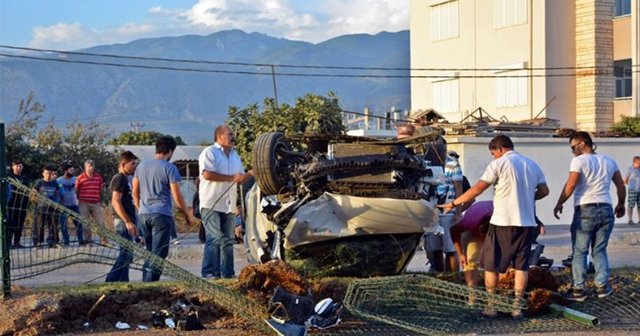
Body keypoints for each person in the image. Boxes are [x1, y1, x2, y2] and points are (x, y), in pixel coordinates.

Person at [440, 135, 549, 318]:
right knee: (522, 267)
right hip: (527, 223)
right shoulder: (532, 164)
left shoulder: (499, 164)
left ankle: (491, 306)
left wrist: (454, 203)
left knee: (491, 266)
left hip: (503, 222)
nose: (494, 157)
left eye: (493, 153)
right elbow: (544, 191)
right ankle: (516, 307)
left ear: (499, 149)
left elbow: (477, 189)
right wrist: (526, 197)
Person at [553, 131, 626, 301]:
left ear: (582, 143)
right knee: (599, 250)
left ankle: (579, 290)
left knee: (580, 251)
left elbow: (571, 185)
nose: (572, 151)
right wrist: (620, 204)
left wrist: (559, 203)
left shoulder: (578, 161)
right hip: (607, 209)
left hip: (586, 210)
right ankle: (603, 288)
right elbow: (620, 186)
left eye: (573, 147)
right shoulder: (609, 161)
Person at [133, 136, 193, 282]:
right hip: (161, 214)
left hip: (143, 214)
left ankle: (145, 282)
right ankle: (150, 284)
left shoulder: (141, 166)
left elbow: (135, 192)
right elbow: (177, 197)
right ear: (170, 151)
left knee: (150, 252)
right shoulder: (169, 167)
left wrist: (140, 208)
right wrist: (187, 216)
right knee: (159, 254)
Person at [198, 125, 252, 279]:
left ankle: (228, 273)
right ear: (219, 137)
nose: (233, 137)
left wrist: (249, 175)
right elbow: (207, 174)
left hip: (229, 204)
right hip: (211, 203)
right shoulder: (209, 152)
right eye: (230, 134)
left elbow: (239, 177)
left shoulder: (235, 155)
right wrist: (233, 178)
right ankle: (209, 272)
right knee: (214, 238)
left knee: (228, 240)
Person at [450, 200, 492, 305]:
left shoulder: (502, 219)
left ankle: (493, 298)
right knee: (470, 262)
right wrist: (460, 254)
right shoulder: (469, 221)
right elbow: (453, 231)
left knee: (497, 263)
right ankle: (472, 297)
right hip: (474, 226)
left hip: (497, 228)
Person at [106, 151, 139, 282]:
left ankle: (124, 282)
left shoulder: (126, 179)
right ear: (123, 164)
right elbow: (115, 201)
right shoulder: (119, 178)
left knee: (127, 255)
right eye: (132, 164)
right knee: (125, 254)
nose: (134, 166)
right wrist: (127, 221)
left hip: (128, 220)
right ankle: (110, 281)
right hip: (122, 221)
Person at [76, 159, 106, 244]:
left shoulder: (98, 177)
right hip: (83, 202)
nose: (91, 168)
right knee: (85, 222)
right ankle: (88, 240)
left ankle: (104, 240)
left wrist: (97, 197)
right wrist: (79, 199)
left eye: (93, 166)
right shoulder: (80, 178)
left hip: (95, 202)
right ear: (85, 167)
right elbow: (76, 190)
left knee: (100, 222)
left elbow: (101, 189)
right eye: (89, 166)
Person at [32, 165, 62, 248]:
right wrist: (36, 199)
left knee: (53, 226)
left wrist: (57, 203)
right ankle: (38, 243)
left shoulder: (55, 183)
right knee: (39, 225)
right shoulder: (39, 183)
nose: (48, 175)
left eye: (50, 173)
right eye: (46, 173)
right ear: (43, 174)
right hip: (41, 208)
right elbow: (33, 193)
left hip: (53, 208)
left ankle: (54, 242)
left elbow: (58, 194)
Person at [57, 162, 85, 245]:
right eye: (71, 170)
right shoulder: (59, 180)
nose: (73, 172)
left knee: (79, 224)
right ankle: (66, 241)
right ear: (65, 171)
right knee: (64, 225)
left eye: (73, 170)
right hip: (63, 205)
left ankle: (81, 240)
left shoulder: (76, 179)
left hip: (74, 205)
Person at [6, 159, 30, 248]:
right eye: (17, 166)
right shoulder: (9, 177)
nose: (19, 168)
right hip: (11, 204)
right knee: (10, 222)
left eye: (20, 166)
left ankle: (17, 241)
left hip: (23, 204)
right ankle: (8, 242)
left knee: (20, 223)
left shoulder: (24, 178)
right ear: (12, 167)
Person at [623, 156, 640, 225]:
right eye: (639, 161)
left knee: (639, 205)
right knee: (631, 204)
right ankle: (630, 220)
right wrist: (631, 185)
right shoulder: (630, 169)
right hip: (632, 189)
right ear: (635, 162)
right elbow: (625, 180)